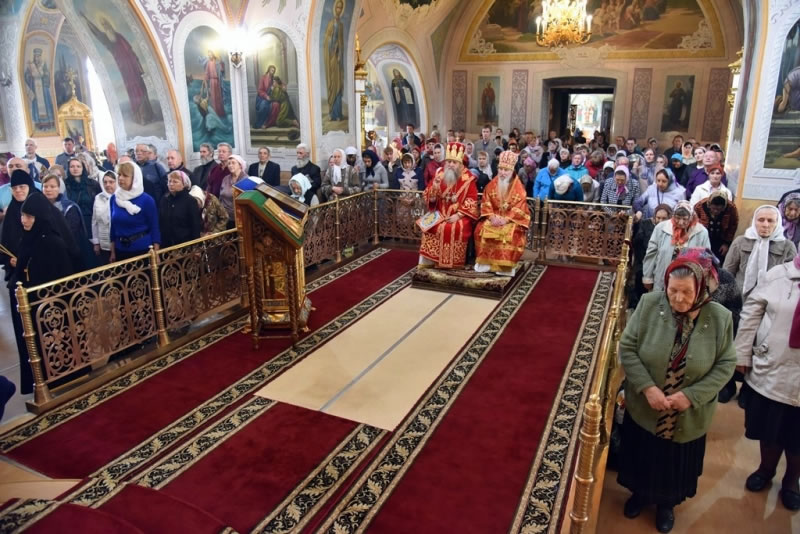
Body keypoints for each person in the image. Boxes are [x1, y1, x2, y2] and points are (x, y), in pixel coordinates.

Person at [618, 254, 735, 533]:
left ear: (701, 289)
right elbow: (628, 347)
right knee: (642, 453)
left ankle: (666, 504)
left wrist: (691, 396)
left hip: (686, 413)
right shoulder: (649, 304)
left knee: (673, 462)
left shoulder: (720, 318)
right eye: (672, 290)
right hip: (647, 405)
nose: (678, 299)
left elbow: (726, 364)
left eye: (686, 292)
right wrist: (647, 387)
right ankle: (639, 494)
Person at [735, 253, 800, 511]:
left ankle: (791, 482)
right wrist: (742, 354)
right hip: (774, 368)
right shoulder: (778, 276)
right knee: (770, 428)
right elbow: (751, 314)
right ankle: (766, 470)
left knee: (797, 437)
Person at [418, 142, 479, 269]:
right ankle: (430, 261)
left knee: (452, 228)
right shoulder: (440, 174)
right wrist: (434, 190)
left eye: (454, 162)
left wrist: (458, 215)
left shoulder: (468, 178)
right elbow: (429, 196)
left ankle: (452, 264)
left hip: (460, 215)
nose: (450, 165)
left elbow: (471, 200)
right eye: (449, 162)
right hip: (440, 212)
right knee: (431, 227)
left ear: (460, 164)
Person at [473, 150, 530, 275]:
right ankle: (486, 264)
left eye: (506, 170)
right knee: (480, 228)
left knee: (512, 232)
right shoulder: (492, 184)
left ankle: (504, 267)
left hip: (510, 220)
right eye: (501, 169)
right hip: (493, 218)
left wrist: (506, 219)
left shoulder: (518, 187)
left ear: (512, 171)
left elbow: (520, 207)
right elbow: (486, 202)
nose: (503, 173)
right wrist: (491, 217)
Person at [723, 205, 796, 300]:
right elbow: (727, 273)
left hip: (772, 300)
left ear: (777, 223)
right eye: (761, 220)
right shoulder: (740, 242)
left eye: (770, 221)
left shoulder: (788, 247)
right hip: (739, 298)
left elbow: (792, 280)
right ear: (754, 221)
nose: (765, 225)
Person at [643, 201, 711, 293]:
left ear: (691, 217)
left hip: (689, 280)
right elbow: (651, 254)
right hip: (662, 278)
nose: (681, 222)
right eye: (677, 218)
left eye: (685, 219)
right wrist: (647, 278)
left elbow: (705, 260)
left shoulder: (701, 232)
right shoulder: (661, 228)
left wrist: (702, 283)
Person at [109, 161, 160, 261]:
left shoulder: (147, 200)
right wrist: (112, 251)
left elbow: (154, 227)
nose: (120, 178)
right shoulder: (114, 199)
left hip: (143, 250)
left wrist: (156, 253)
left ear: (135, 178)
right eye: (119, 175)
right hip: (120, 250)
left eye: (125, 175)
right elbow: (113, 227)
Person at [631, 204, 673, 309]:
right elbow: (638, 245)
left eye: (664, 218)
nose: (660, 221)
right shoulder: (645, 224)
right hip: (644, 261)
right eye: (658, 218)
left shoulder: (672, 230)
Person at [159, 171, 202, 247]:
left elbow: (195, 225)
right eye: (169, 181)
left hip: (185, 244)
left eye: (175, 182)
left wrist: (196, 246)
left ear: (184, 184)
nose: (171, 184)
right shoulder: (164, 199)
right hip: (167, 245)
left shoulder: (190, 201)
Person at [64, 157, 101, 243]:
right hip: (72, 224)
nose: (75, 169)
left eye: (78, 166)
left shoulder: (93, 184)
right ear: (68, 168)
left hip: (90, 222)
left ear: (83, 168)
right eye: (72, 166)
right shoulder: (65, 185)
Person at [694, 192, 739, 262]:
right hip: (703, 238)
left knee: (718, 261)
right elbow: (694, 222)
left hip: (721, 240)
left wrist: (726, 243)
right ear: (709, 205)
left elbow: (733, 225)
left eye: (719, 209)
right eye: (713, 208)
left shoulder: (731, 208)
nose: (715, 211)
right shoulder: (700, 206)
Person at [92, 171, 117, 264]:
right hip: (104, 244)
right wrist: (96, 242)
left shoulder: (122, 198)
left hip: (119, 244)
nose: (108, 185)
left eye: (111, 182)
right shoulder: (98, 198)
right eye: (105, 182)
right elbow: (94, 222)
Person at [219, 154, 249, 225]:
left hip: (240, 218)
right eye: (229, 163)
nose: (230, 165)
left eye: (233, 163)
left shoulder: (246, 180)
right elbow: (221, 197)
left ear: (240, 165)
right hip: (224, 217)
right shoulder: (225, 178)